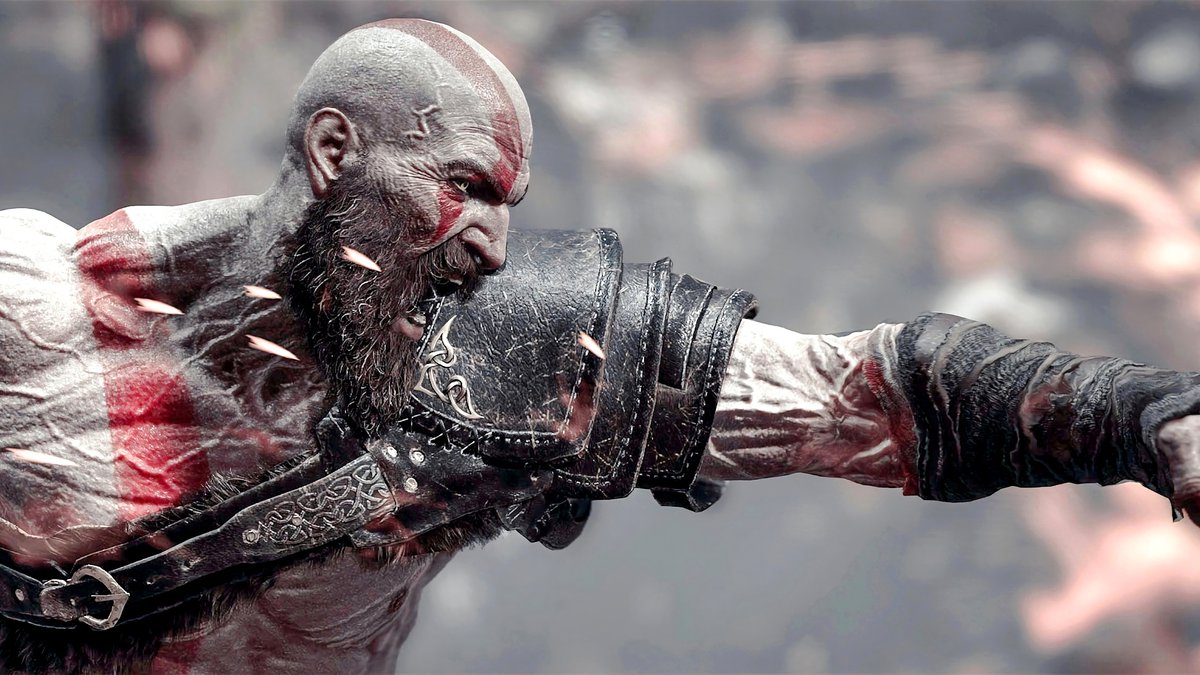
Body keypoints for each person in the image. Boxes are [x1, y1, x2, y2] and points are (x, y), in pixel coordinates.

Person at [2, 18, 1200, 673]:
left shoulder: (520, 355)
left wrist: (1144, 419)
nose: (492, 248)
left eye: (508, 207)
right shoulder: (30, 307)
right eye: (466, 190)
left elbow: (864, 396)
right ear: (332, 154)